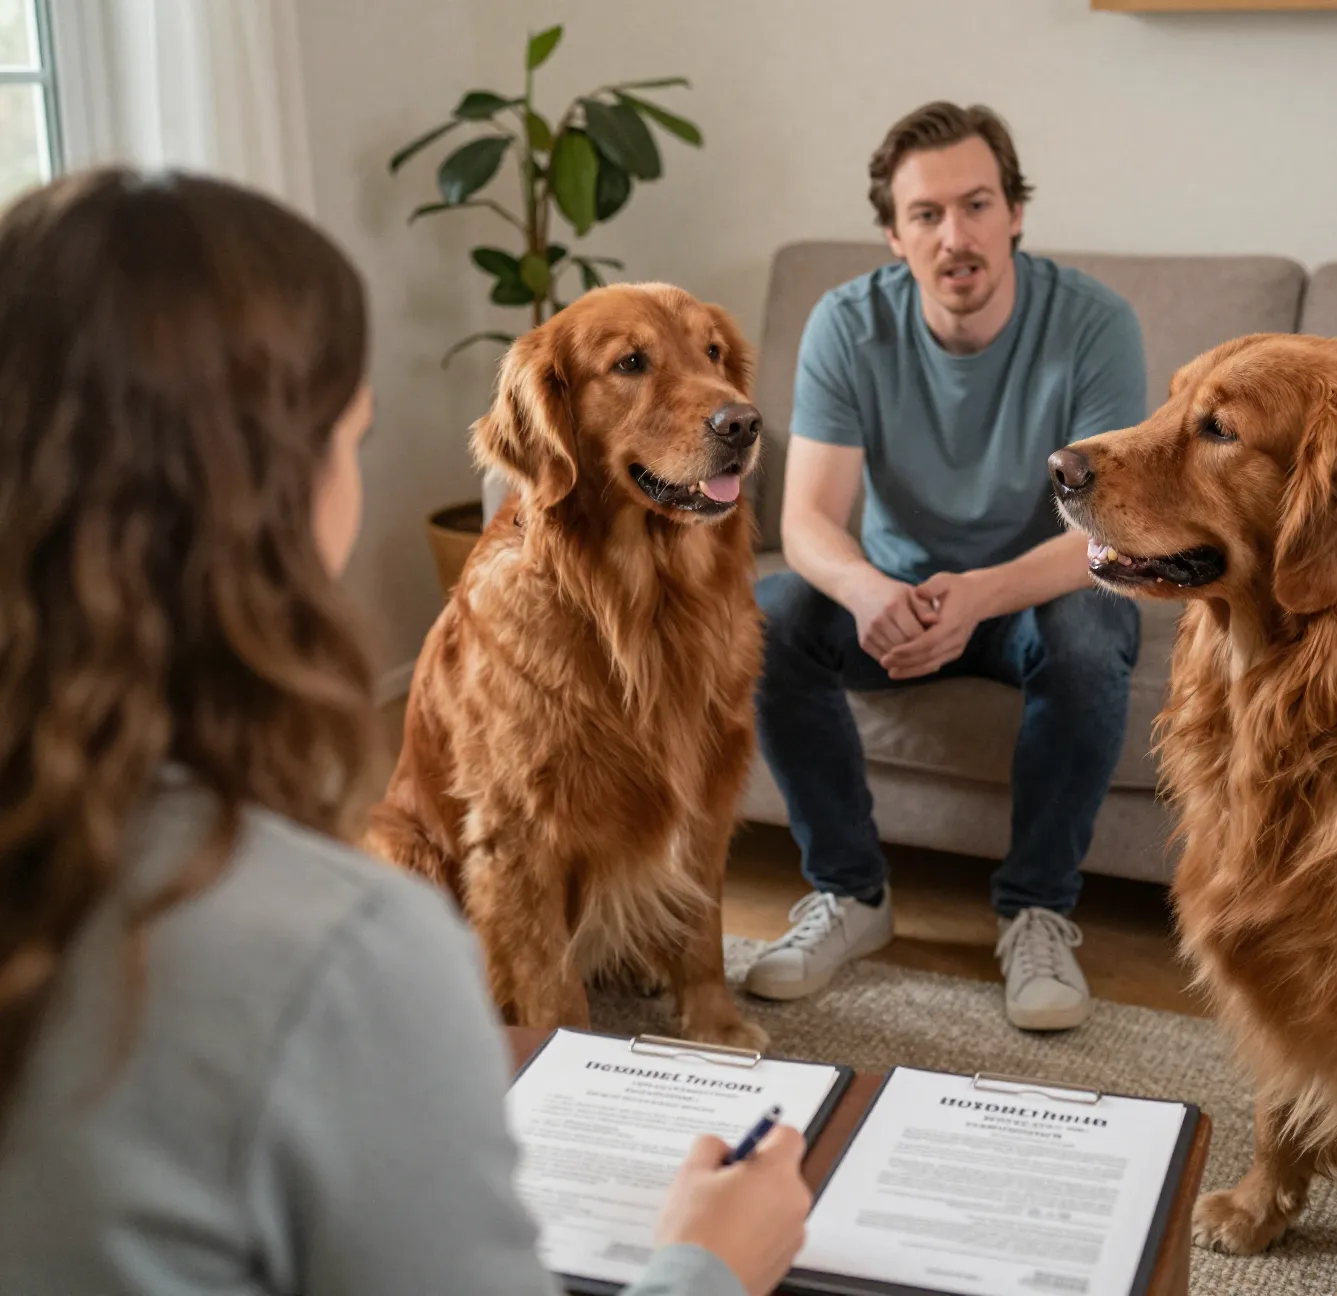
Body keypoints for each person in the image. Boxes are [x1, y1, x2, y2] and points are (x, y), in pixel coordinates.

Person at [0, 168, 809, 1296]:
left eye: (716, 362)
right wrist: (714, 1261)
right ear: (282, 487)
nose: (719, 399)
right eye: (350, 429)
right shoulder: (341, 954)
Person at [745, 103, 1147, 1032]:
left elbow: (1110, 533)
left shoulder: (1093, 326)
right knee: (767, 617)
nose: (954, 236)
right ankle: (851, 895)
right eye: (926, 214)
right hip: (889, 596)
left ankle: (1035, 912)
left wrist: (981, 596)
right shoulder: (847, 325)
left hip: (1030, 598)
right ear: (894, 232)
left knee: (1093, 630)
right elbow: (805, 520)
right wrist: (866, 590)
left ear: (1015, 212)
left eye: (976, 205)